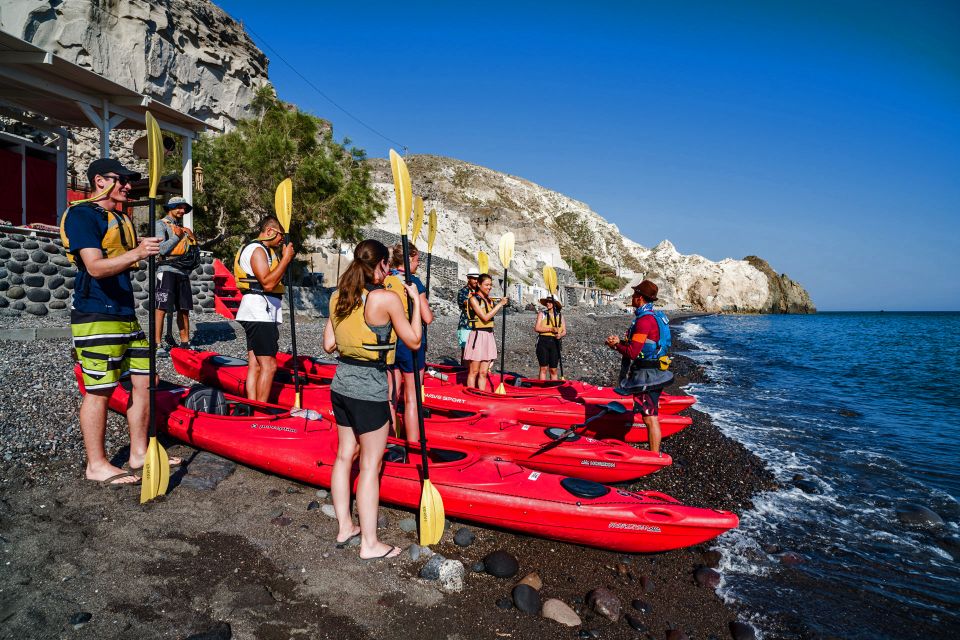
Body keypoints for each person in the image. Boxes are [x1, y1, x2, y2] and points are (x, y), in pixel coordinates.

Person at [60, 157, 180, 484]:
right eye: (121, 179)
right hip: (96, 314)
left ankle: (138, 453)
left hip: (126, 314)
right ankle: (96, 465)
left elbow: (124, 261)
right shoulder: (83, 214)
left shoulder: (119, 217)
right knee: (100, 389)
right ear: (100, 181)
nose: (128, 185)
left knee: (144, 381)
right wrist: (139, 253)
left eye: (129, 180)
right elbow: (95, 267)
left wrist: (146, 251)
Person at [322, 239, 422, 559]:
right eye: (387, 265)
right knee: (370, 464)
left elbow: (328, 345)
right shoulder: (386, 298)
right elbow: (415, 340)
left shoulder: (338, 295)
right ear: (379, 265)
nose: (389, 270)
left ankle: (344, 527)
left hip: (341, 384)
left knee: (344, 455)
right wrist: (415, 304)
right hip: (369, 387)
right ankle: (369, 544)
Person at [232, 216, 295, 402]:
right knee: (269, 365)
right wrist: (286, 259)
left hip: (256, 311)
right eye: (280, 236)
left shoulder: (263, 250)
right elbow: (267, 284)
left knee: (256, 364)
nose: (281, 240)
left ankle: (252, 406)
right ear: (269, 231)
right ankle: (260, 411)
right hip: (259, 312)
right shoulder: (258, 250)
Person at [604, 279, 671, 454]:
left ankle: (654, 456)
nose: (632, 297)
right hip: (657, 370)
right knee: (650, 414)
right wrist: (621, 341)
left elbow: (633, 352)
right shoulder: (654, 317)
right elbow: (642, 344)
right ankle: (653, 455)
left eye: (634, 294)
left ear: (640, 298)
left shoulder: (644, 321)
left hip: (648, 375)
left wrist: (615, 346)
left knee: (650, 417)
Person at [384, 244, 434, 444]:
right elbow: (427, 318)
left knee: (391, 395)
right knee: (411, 397)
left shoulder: (385, 279)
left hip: (389, 342)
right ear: (407, 259)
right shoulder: (413, 282)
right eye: (416, 260)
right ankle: (413, 445)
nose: (418, 264)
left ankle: (390, 440)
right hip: (409, 341)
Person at [154, 196, 200, 355]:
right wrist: (177, 236)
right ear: (169, 208)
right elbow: (161, 249)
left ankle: (185, 342)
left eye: (184, 208)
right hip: (166, 270)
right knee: (161, 307)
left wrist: (191, 238)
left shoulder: (183, 229)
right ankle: (157, 344)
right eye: (179, 207)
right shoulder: (160, 225)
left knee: (184, 308)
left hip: (183, 271)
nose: (182, 211)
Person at [463, 273, 509, 390]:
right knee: (474, 371)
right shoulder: (473, 299)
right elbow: (484, 317)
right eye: (486, 285)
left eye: (490, 285)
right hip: (478, 336)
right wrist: (500, 304)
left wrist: (499, 304)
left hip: (489, 336)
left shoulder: (489, 300)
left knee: (483, 372)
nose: (489, 287)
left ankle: (481, 395)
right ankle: (472, 395)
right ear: (479, 284)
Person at [534, 295, 566, 380]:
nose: (548, 304)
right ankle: (542, 389)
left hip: (555, 343)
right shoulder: (542, 314)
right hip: (543, 342)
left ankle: (553, 388)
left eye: (550, 302)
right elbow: (537, 328)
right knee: (543, 368)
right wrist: (551, 329)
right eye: (547, 302)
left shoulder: (560, 316)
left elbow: (564, 331)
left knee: (553, 370)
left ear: (554, 304)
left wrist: (560, 335)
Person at [457, 268, 480, 362]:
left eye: (477, 279)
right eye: (473, 278)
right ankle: (463, 373)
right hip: (466, 325)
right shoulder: (463, 291)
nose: (476, 281)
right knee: (466, 352)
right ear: (468, 278)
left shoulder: (480, 292)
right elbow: (464, 303)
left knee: (477, 352)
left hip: (478, 325)